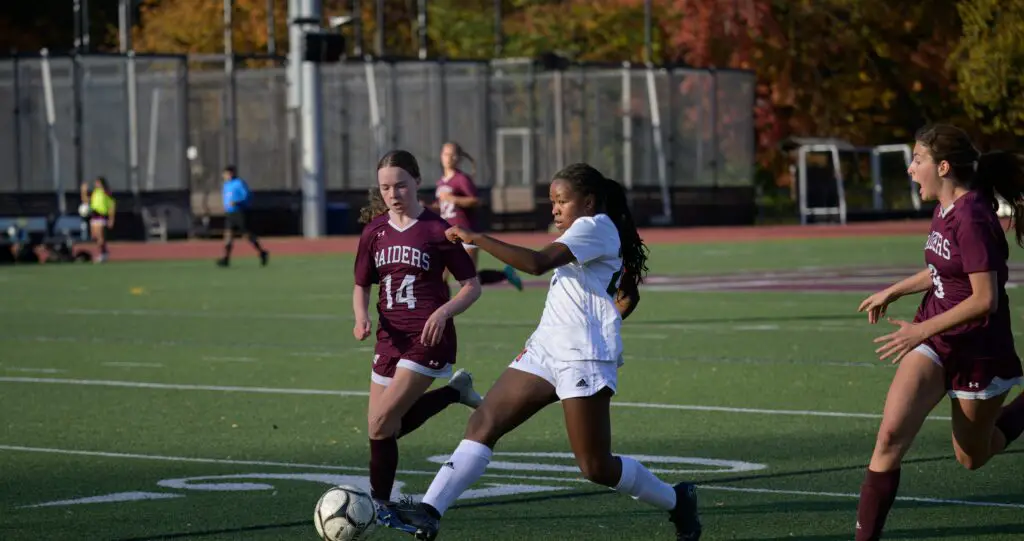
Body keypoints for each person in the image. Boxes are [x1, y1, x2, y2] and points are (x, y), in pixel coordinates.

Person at [393, 163, 702, 540]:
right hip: (545, 350)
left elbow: (536, 264)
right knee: (484, 422)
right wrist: (609, 315)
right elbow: (626, 296)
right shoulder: (583, 232)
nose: (554, 209)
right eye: (551, 201)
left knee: (595, 466)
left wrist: (477, 238)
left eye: (562, 201)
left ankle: (677, 500)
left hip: (581, 358)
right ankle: (429, 511)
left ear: (587, 201)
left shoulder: (595, 225)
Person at [853, 124, 1024, 540]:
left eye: (917, 160)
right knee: (890, 437)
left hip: (980, 349)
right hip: (934, 339)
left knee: (972, 458)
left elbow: (985, 300)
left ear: (943, 167)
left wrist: (918, 330)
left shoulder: (974, 218)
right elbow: (942, 268)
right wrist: (893, 291)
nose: (911, 170)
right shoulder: (944, 207)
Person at [353, 149, 485, 532]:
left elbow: (471, 287)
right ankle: (455, 392)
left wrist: (443, 312)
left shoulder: (436, 229)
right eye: (386, 187)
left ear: (417, 183)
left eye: (401, 185)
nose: (393, 193)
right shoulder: (374, 231)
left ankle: (380, 505)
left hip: (429, 338)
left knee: (381, 423)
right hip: (388, 339)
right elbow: (361, 284)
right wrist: (361, 316)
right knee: (381, 428)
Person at [434, 142, 523, 290]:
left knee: (469, 280)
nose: (448, 158)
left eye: (452, 154)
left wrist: (454, 199)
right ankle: (444, 310)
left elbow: (476, 200)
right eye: (445, 154)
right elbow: (442, 206)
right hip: (449, 235)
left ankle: (505, 275)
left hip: (466, 233)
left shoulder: (462, 179)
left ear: (458, 158)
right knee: (442, 276)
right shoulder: (440, 182)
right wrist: (427, 207)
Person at [217, 166, 269, 267]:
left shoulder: (239, 183)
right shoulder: (226, 185)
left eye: (226, 174)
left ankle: (262, 252)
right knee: (228, 235)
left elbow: (246, 196)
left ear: (231, 174)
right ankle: (226, 258)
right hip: (229, 213)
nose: (225, 176)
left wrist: (237, 202)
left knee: (247, 235)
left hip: (239, 212)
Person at [80, 176, 115, 263]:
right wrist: (83, 191)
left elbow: (111, 206)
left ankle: (103, 254)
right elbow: (86, 200)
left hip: (101, 216)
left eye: (98, 182)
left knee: (100, 237)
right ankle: (104, 252)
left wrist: (111, 219)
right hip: (94, 216)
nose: (96, 184)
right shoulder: (95, 192)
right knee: (94, 236)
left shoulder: (106, 193)